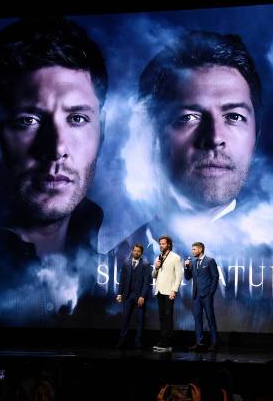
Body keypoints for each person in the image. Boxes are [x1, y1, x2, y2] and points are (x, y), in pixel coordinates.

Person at [0, 17, 109, 327]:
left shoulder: (118, 272)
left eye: (76, 119)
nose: (57, 147)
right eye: (27, 121)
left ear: (103, 133)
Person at [110, 30, 262, 265]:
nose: (214, 137)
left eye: (234, 116)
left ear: (255, 134)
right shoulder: (110, 269)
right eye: (188, 117)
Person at [184, 242, 219, 352]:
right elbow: (188, 277)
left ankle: (214, 343)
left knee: (210, 319)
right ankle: (199, 343)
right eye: (192, 249)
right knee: (197, 319)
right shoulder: (193, 262)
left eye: (194, 249)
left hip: (206, 295)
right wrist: (186, 267)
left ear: (201, 249)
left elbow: (215, 277)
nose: (192, 251)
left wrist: (211, 293)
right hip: (196, 296)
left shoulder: (210, 261)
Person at [115, 244, 151, 349]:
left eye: (138, 251)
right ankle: (122, 341)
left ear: (141, 253)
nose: (136, 252)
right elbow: (122, 280)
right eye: (135, 250)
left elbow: (146, 282)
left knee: (140, 320)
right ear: (132, 251)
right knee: (125, 319)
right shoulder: (126, 263)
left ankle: (138, 342)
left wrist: (142, 296)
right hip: (128, 295)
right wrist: (119, 294)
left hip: (139, 296)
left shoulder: (145, 264)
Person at [152, 235, 183, 352]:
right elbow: (153, 275)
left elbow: (179, 275)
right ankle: (163, 340)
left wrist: (174, 290)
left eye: (163, 244)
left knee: (168, 317)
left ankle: (167, 342)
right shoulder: (158, 257)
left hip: (169, 292)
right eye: (160, 243)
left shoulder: (175, 257)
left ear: (168, 244)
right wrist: (156, 267)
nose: (161, 245)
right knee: (162, 318)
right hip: (159, 291)